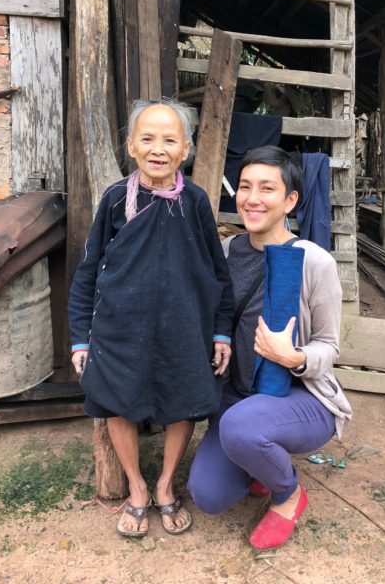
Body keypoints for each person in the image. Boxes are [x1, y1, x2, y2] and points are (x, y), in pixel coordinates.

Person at [68, 99, 234, 538]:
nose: (157, 148)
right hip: (119, 330)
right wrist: (81, 339)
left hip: (183, 329)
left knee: (182, 403)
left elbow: (218, 273)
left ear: (185, 149)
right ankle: (137, 489)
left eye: (169, 140)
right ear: (131, 147)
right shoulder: (113, 200)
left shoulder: (196, 202)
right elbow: (87, 272)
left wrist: (220, 330)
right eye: (147, 138)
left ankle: (164, 487)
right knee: (117, 403)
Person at [187, 145, 352, 551]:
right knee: (209, 495)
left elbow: (329, 346)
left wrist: (293, 358)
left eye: (267, 188)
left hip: (302, 398)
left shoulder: (314, 262)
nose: (253, 198)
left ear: (290, 200)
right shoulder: (226, 253)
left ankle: (288, 493)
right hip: (238, 397)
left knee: (244, 428)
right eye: (245, 187)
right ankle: (256, 458)